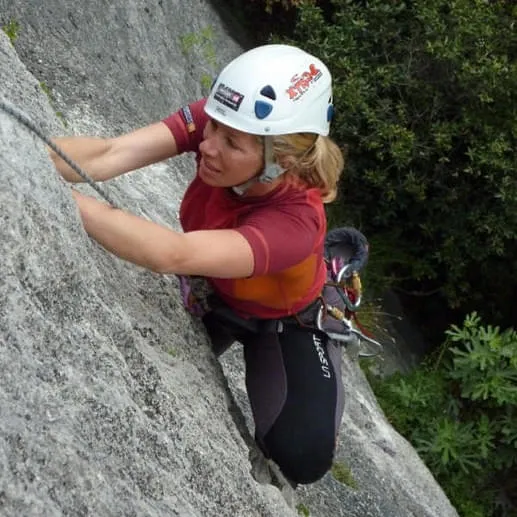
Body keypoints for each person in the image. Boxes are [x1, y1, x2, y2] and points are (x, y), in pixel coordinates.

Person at [51, 44, 346, 486]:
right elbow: (110, 153)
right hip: (220, 291)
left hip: (284, 321)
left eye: (230, 143)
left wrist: (56, 194)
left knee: (302, 455)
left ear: (279, 161)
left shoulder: (297, 220)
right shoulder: (229, 123)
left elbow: (174, 253)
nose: (207, 145)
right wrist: (30, 154)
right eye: (211, 128)